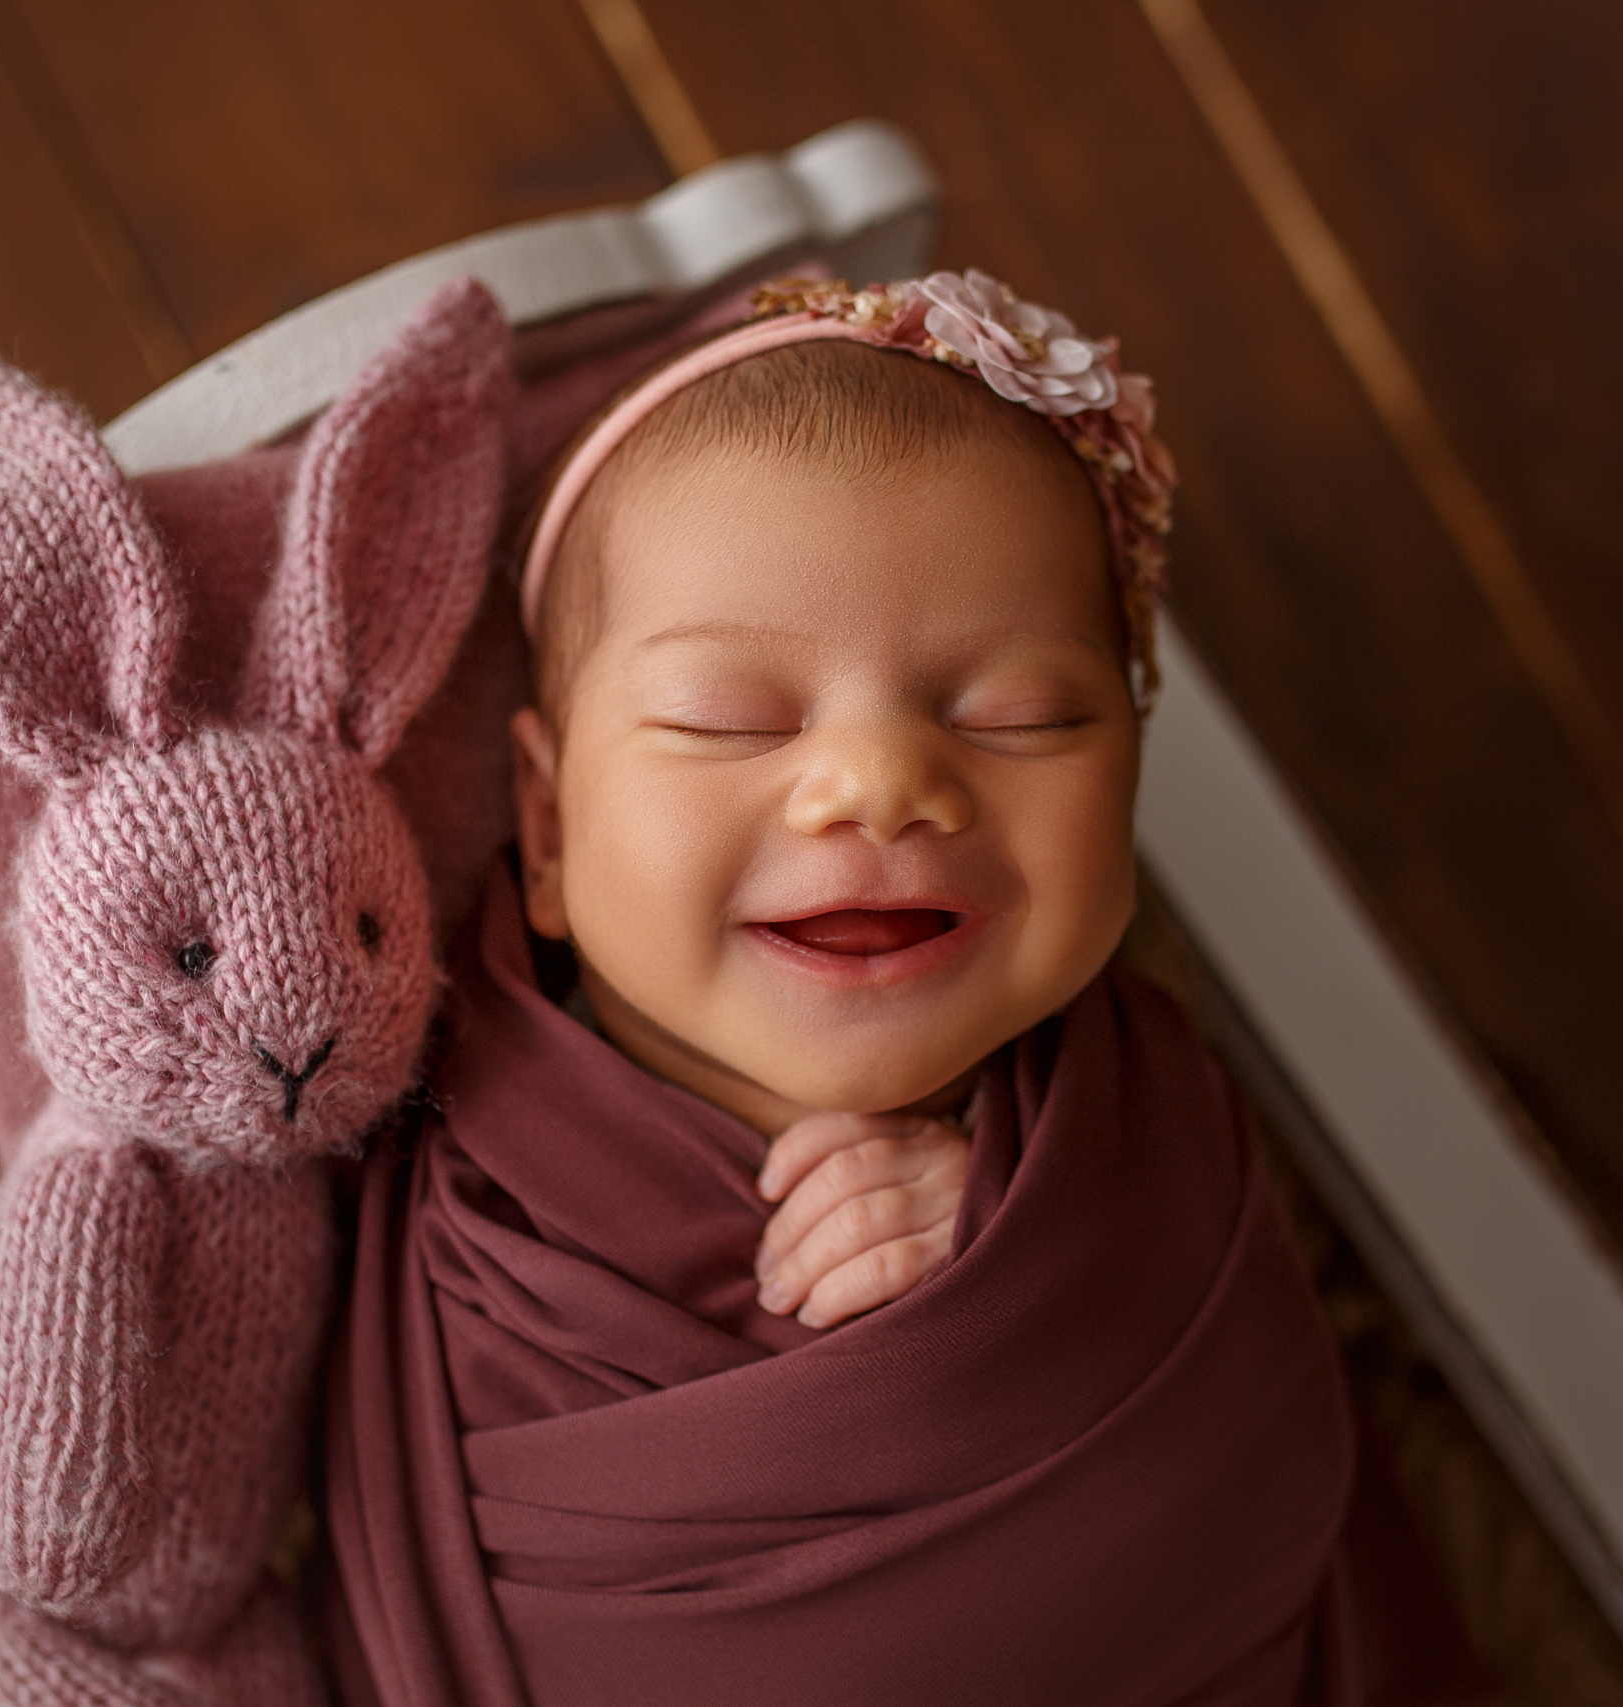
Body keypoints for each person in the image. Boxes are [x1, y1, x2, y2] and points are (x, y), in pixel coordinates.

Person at [318, 269, 1481, 1707]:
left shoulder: (1137, 1133)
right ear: (547, 831)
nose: (878, 782)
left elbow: (1255, 1466)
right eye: (727, 721)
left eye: (1018, 717)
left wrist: (1031, 1258)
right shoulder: (470, 1221)